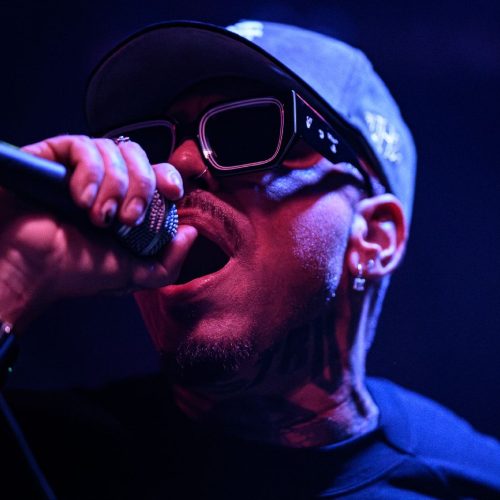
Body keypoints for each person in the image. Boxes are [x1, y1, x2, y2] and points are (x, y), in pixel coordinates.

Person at [0, 19, 499, 499]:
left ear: (374, 237)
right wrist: (12, 278)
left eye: (246, 132)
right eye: (148, 146)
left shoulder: (471, 482)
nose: (178, 165)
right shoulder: (45, 450)